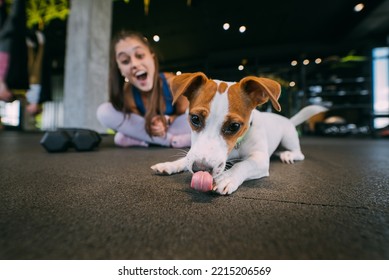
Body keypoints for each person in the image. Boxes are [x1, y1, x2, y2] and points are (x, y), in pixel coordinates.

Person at [96, 30, 191, 148]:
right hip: (152, 130)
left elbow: (183, 113)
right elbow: (138, 124)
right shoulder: (128, 92)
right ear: (120, 69)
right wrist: (152, 123)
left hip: (173, 126)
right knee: (104, 111)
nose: (134, 64)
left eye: (140, 55)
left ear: (152, 55)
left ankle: (146, 141)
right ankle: (173, 141)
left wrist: (166, 120)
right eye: (125, 61)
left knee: (194, 119)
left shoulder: (172, 82)